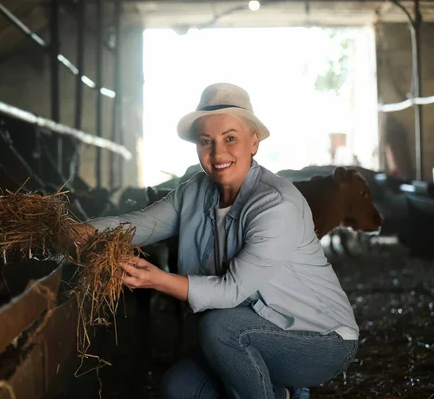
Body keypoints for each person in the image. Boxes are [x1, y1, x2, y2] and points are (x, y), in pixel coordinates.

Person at [74, 83, 359, 399]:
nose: (217, 153)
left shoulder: (276, 204)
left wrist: (156, 280)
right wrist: (78, 231)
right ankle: (279, 392)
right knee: (180, 388)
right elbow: (140, 224)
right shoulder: (195, 191)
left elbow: (231, 290)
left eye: (230, 139)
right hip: (247, 331)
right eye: (206, 141)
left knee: (219, 326)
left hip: (318, 340)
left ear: (254, 143)